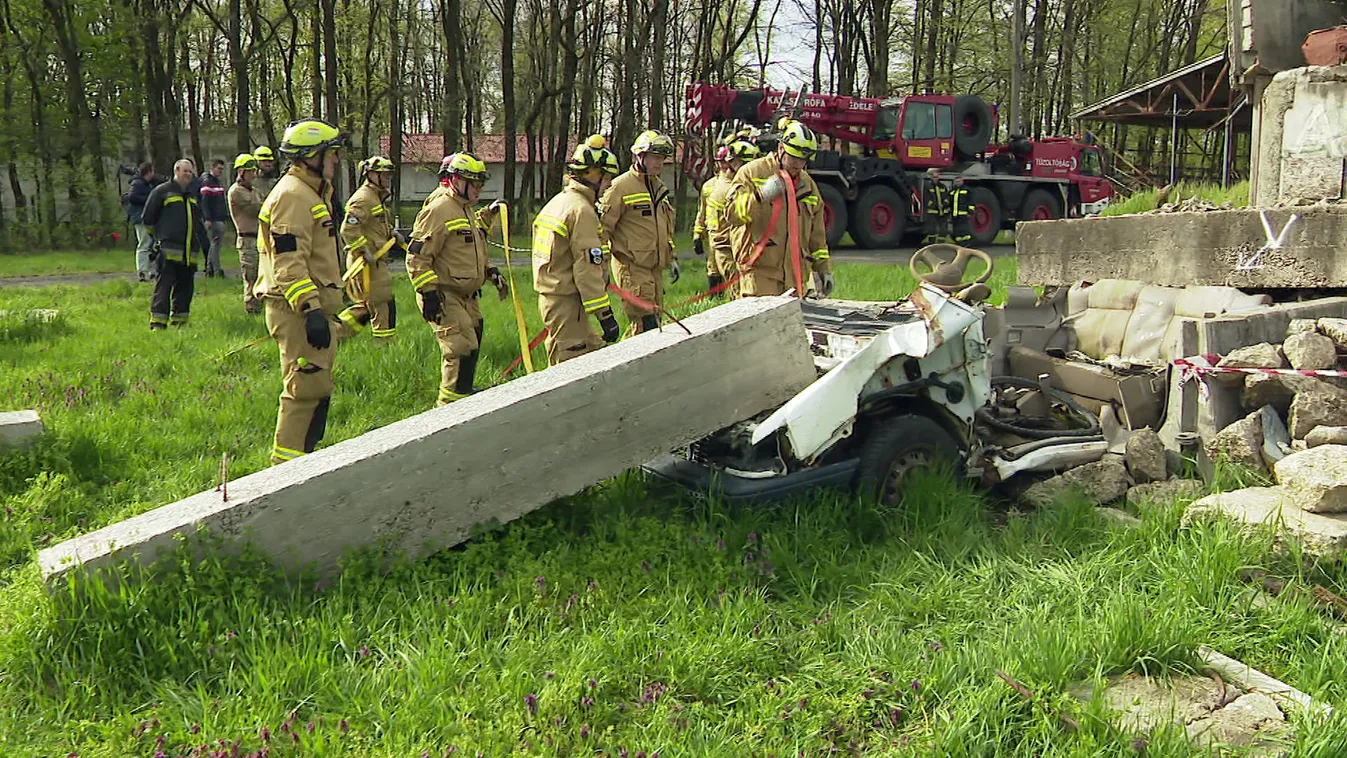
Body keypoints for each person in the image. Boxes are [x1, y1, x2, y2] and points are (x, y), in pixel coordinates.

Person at [255, 118, 368, 465]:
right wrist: (310, 308)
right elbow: (288, 261)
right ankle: (285, 473)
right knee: (303, 389)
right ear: (309, 156)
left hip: (309, 308)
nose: (336, 159)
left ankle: (304, 461)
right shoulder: (293, 196)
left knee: (316, 386)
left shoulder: (311, 193)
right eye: (330, 153)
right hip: (295, 311)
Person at [405, 152, 506, 405]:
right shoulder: (440, 209)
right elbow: (417, 256)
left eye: (481, 183)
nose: (479, 188)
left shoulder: (464, 208)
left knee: (474, 339)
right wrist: (429, 293)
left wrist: (490, 271)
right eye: (474, 183)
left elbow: (470, 248)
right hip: (444, 293)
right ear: (455, 180)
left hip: (466, 295)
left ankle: (463, 395)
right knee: (459, 348)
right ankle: (448, 408)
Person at [532, 135, 621, 366]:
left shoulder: (558, 202)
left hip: (557, 301)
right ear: (592, 175)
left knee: (594, 353)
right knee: (570, 366)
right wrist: (605, 316)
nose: (610, 184)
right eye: (607, 177)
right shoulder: (582, 211)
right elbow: (587, 269)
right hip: (566, 304)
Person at [721, 120, 833, 298]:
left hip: (795, 278)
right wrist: (760, 195)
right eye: (794, 158)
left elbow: (817, 235)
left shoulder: (807, 185)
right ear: (781, 148)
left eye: (803, 160)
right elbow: (732, 214)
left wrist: (823, 268)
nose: (798, 165)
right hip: (759, 275)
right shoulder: (752, 172)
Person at [599, 129, 677, 336]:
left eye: (662, 158)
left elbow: (664, 228)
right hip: (632, 269)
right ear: (640, 155)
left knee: (655, 325)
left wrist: (672, 258)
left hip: (654, 270)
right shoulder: (620, 187)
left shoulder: (658, 187)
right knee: (645, 325)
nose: (659, 163)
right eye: (655, 157)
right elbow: (602, 230)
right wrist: (601, 266)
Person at [142, 158, 209, 329]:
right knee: (163, 287)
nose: (188, 174)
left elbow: (198, 224)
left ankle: (180, 323)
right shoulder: (162, 191)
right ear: (176, 171)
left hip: (189, 253)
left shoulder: (192, 196)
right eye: (185, 171)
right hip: (168, 251)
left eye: (190, 171)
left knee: (185, 289)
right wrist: (158, 238)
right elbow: (148, 218)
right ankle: (158, 323)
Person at [340, 156, 399, 341]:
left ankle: (334, 336)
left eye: (389, 174)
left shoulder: (375, 198)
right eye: (384, 174)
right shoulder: (363, 199)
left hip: (374, 262)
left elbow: (374, 226)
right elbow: (348, 230)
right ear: (371, 175)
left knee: (366, 308)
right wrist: (363, 251)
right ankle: (384, 345)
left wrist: (391, 233)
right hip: (366, 264)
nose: (388, 178)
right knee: (382, 305)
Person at [704, 136, 761, 299]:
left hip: (735, 250)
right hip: (729, 250)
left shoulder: (732, 183)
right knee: (739, 296)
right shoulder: (730, 189)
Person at [229, 153, 265, 314]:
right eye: (249, 171)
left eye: (254, 171)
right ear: (241, 172)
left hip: (259, 238)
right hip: (247, 239)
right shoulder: (236, 191)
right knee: (251, 275)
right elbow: (256, 208)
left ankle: (261, 306)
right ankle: (252, 308)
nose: (253, 174)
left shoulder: (255, 191)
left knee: (262, 274)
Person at [126, 162, 158, 282]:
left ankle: (152, 270)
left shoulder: (146, 184)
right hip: (140, 218)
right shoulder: (138, 183)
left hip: (147, 218)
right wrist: (149, 199)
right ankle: (142, 271)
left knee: (152, 244)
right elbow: (132, 197)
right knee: (144, 243)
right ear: (148, 172)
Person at [200, 158, 229, 278]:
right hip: (214, 218)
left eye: (222, 169)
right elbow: (204, 202)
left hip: (220, 217)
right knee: (215, 244)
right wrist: (207, 218)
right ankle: (216, 269)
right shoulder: (208, 182)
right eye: (219, 169)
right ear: (212, 168)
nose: (220, 171)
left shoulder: (217, 182)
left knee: (215, 244)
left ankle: (210, 269)